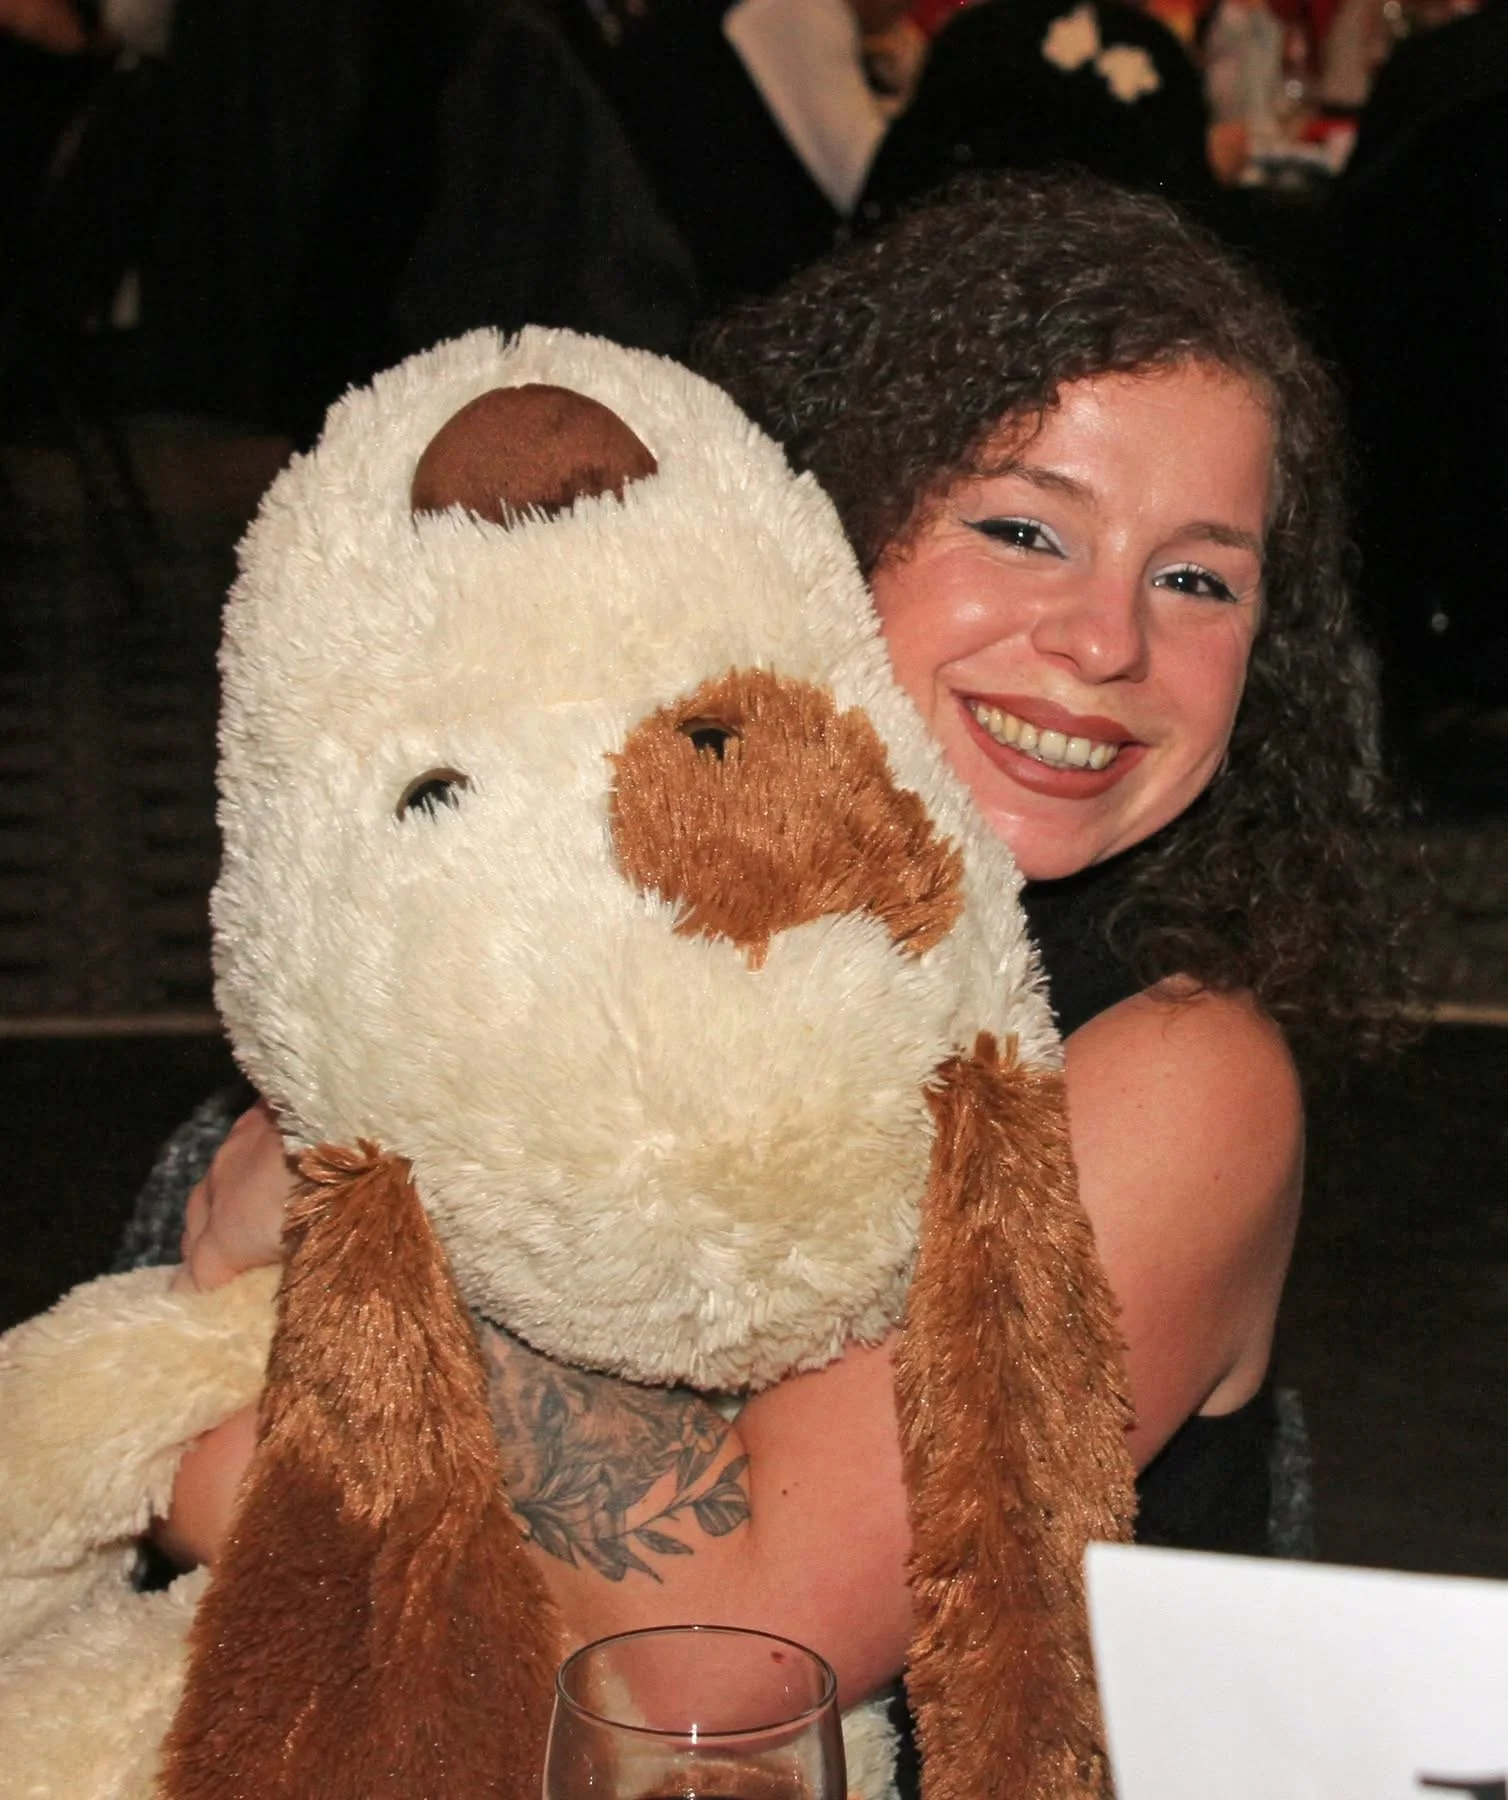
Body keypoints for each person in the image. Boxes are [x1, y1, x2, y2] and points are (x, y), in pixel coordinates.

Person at [145, 170, 1408, 1752]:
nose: (1108, 641)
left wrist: (352, 1251)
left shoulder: (1177, 1078)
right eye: (1023, 530)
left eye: (1199, 578)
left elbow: (719, 1680)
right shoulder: (566, 899)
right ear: (823, 524)